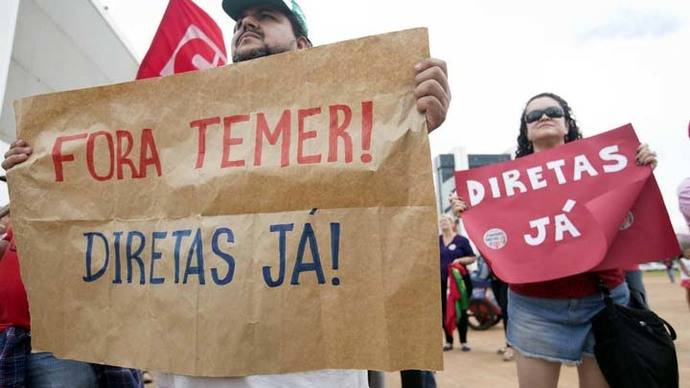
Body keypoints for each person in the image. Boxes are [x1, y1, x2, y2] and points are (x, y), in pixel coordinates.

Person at [3, 1, 451, 387]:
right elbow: (116, 210)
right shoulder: (183, 127)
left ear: (303, 47)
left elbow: (383, 213)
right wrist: (42, 174)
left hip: (305, 373)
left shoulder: (350, 115)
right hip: (197, 369)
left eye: (268, 15)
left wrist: (409, 119)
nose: (247, 23)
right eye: (241, 19)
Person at [451, 92, 657, 388]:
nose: (543, 117)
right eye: (533, 116)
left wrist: (639, 167)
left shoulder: (607, 165)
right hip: (535, 306)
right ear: (526, 129)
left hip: (602, 300)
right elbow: (498, 243)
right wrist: (469, 211)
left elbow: (630, 215)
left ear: (566, 123)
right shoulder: (499, 187)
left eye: (552, 111)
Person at [438, 214, 476, 352]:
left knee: (461, 310)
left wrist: (459, 261)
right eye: (441, 221)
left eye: (446, 220)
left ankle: (464, 341)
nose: (443, 223)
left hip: (460, 283)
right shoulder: (437, 241)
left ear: (452, 223)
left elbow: (472, 258)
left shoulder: (461, 240)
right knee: (444, 311)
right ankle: (449, 341)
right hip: (442, 283)